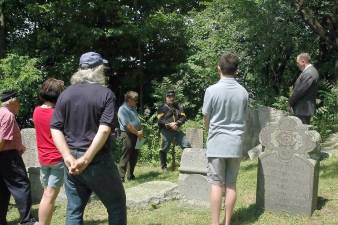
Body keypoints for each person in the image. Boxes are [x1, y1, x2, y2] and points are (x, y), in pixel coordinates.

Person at [50, 52, 126, 225]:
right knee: (116, 205)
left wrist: (68, 156)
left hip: (72, 161)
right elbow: (105, 130)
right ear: (98, 69)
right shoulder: (106, 94)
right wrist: (86, 158)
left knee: (74, 208)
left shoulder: (66, 94)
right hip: (97, 160)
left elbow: (55, 128)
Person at [202, 52, 248, 225]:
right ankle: (227, 222)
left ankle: (215, 224)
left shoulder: (211, 90)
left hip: (217, 142)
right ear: (236, 70)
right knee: (231, 184)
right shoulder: (243, 92)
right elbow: (244, 117)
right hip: (235, 143)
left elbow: (206, 117)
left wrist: (209, 130)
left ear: (218, 68)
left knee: (216, 184)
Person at [0, 90, 38, 225]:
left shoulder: (0, 113)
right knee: (22, 185)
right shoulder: (8, 115)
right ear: (12, 101)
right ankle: (27, 221)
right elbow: (3, 139)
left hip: (5, 155)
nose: (20, 104)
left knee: (3, 188)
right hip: (8, 157)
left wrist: (18, 145)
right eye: (18, 101)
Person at [32, 78, 65, 225]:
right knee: (49, 196)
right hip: (57, 159)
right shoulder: (58, 113)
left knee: (47, 194)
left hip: (43, 159)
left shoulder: (37, 111)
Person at [157, 90, 191, 172]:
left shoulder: (178, 106)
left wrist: (177, 123)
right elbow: (160, 121)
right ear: (166, 98)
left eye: (172, 97)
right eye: (169, 97)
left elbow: (183, 117)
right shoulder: (161, 107)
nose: (171, 98)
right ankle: (164, 167)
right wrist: (169, 124)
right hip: (166, 130)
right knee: (164, 149)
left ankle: (186, 165)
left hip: (177, 129)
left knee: (186, 144)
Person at [117, 91, 143, 182]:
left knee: (135, 156)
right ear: (129, 99)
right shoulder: (122, 109)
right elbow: (127, 125)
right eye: (135, 100)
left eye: (137, 100)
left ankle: (130, 175)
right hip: (128, 134)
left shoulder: (133, 108)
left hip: (139, 134)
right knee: (126, 155)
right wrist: (137, 133)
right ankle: (120, 177)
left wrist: (141, 131)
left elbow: (136, 121)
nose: (137, 102)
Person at [289, 53, 319, 124]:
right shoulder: (309, 71)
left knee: (301, 132)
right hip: (303, 110)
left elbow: (300, 91)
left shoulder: (309, 73)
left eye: (297, 62)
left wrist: (290, 103)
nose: (297, 65)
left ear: (303, 61)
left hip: (303, 110)